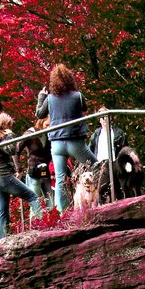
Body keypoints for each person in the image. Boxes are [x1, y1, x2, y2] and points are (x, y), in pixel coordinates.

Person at [35, 64, 97, 213]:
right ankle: (100, 199)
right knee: (97, 166)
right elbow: (84, 108)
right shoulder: (77, 96)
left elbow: (39, 114)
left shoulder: (49, 98)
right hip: (75, 141)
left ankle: (62, 213)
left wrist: (41, 96)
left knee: (60, 179)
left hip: (56, 144)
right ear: (70, 80)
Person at [0, 112, 43, 239]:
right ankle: (42, 227)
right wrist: (10, 134)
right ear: (5, 125)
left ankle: (3, 239)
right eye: (9, 126)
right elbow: (12, 150)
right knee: (32, 196)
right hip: (4, 176)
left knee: (3, 210)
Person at [17, 117, 55, 209]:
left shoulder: (49, 135)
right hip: (34, 172)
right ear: (41, 122)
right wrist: (18, 169)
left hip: (47, 173)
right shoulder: (30, 134)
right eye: (46, 125)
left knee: (51, 202)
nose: (48, 127)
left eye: (50, 125)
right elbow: (16, 150)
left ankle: (52, 222)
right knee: (35, 203)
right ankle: (35, 223)